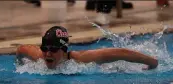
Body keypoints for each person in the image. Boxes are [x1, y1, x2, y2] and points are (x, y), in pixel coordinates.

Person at [16, 26, 158, 70]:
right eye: (45, 47)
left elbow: (121, 53)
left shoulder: (80, 59)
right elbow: (20, 49)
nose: (47, 53)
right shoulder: (39, 55)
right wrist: (21, 65)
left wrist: (152, 63)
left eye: (53, 49)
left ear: (64, 49)